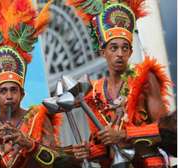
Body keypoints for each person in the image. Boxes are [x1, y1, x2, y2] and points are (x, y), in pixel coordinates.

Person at [0, 0, 90, 167]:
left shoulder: (37, 118)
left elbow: (58, 162)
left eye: (14, 90)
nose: (9, 96)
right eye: (3, 91)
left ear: (22, 94)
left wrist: (30, 145)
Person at [67, 0, 172, 167]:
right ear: (103, 52)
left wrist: (124, 134)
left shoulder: (144, 78)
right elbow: (102, 145)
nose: (120, 54)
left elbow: (166, 132)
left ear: (130, 52)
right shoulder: (95, 91)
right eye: (113, 48)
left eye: (125, 48)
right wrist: (88, 151)